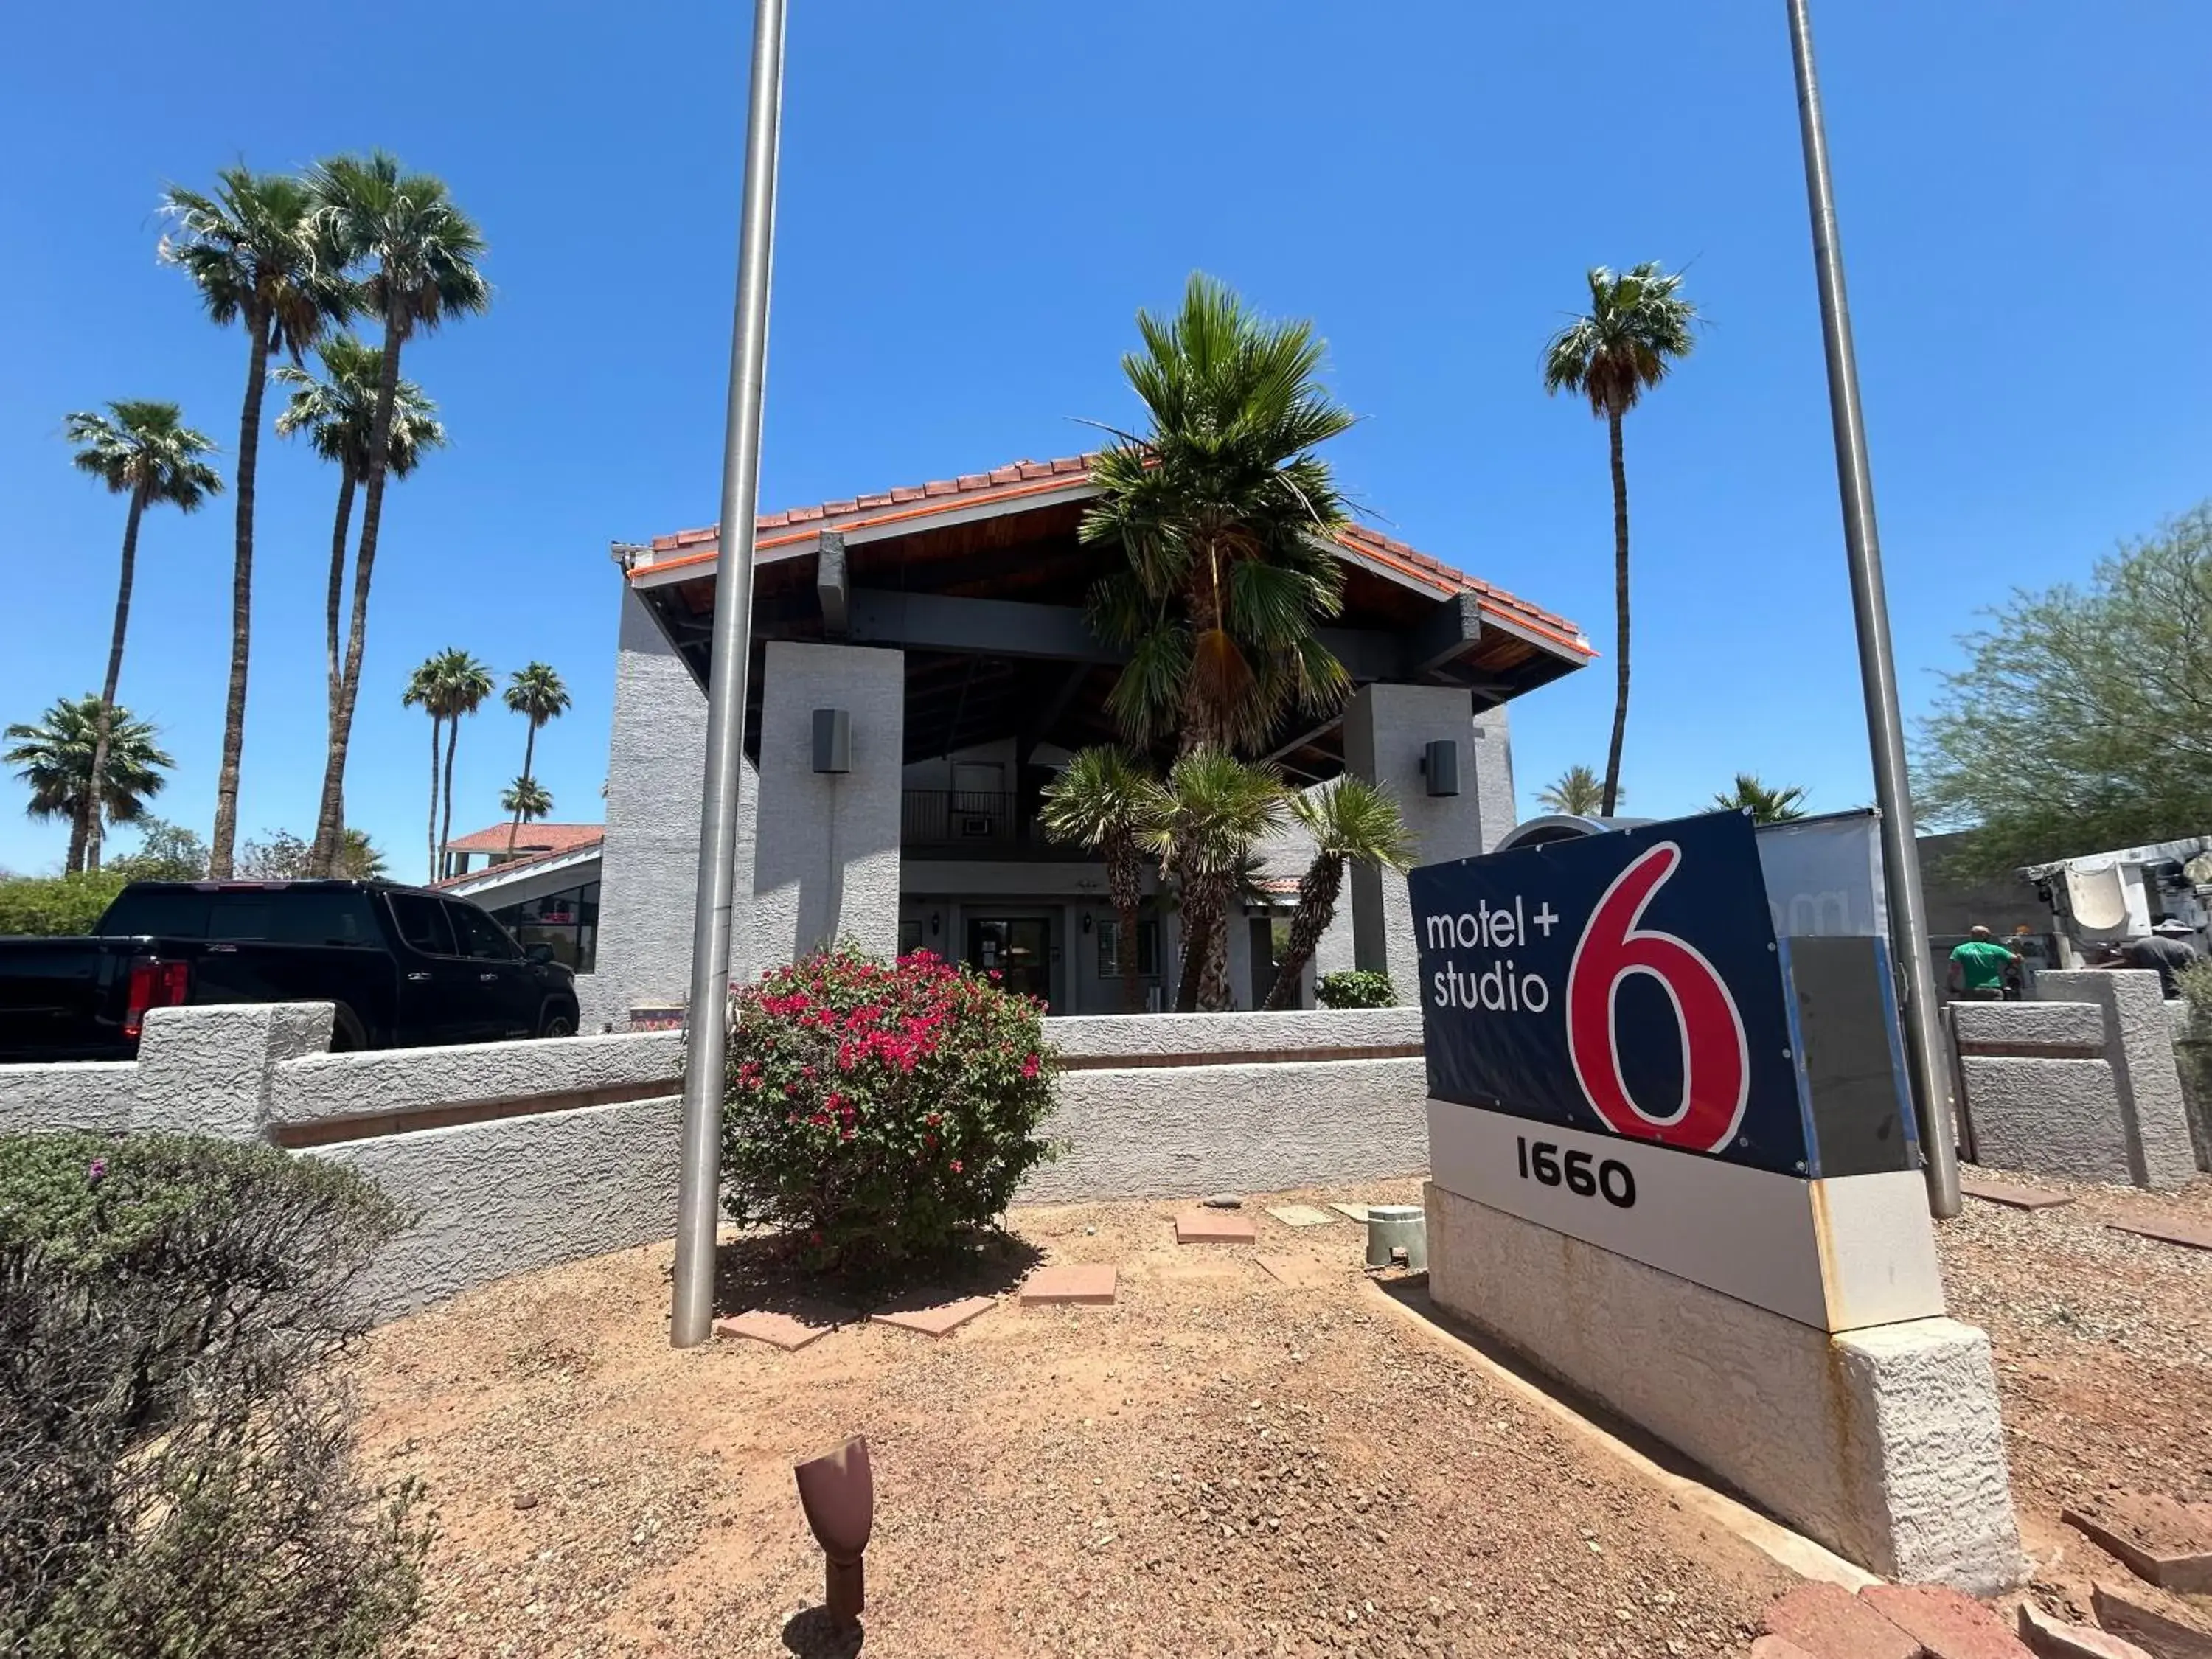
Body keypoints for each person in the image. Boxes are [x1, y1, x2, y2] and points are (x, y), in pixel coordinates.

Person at [2101, 916, 2201, 999]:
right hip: (2174, 992)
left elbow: (2134, 965)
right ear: (2178, 933)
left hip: (2148, 991)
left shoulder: (2142, 943)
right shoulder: (2184, 948)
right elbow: (2193, 973)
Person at [1947, 925, 2019, 1001]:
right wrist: (2017, 948)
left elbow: (1954, 970)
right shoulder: (1994, 949)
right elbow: (2016, 959)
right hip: (1993, 989)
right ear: (1984, 936)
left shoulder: (1960, 949)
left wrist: (1950, 985)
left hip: (1972, 990)